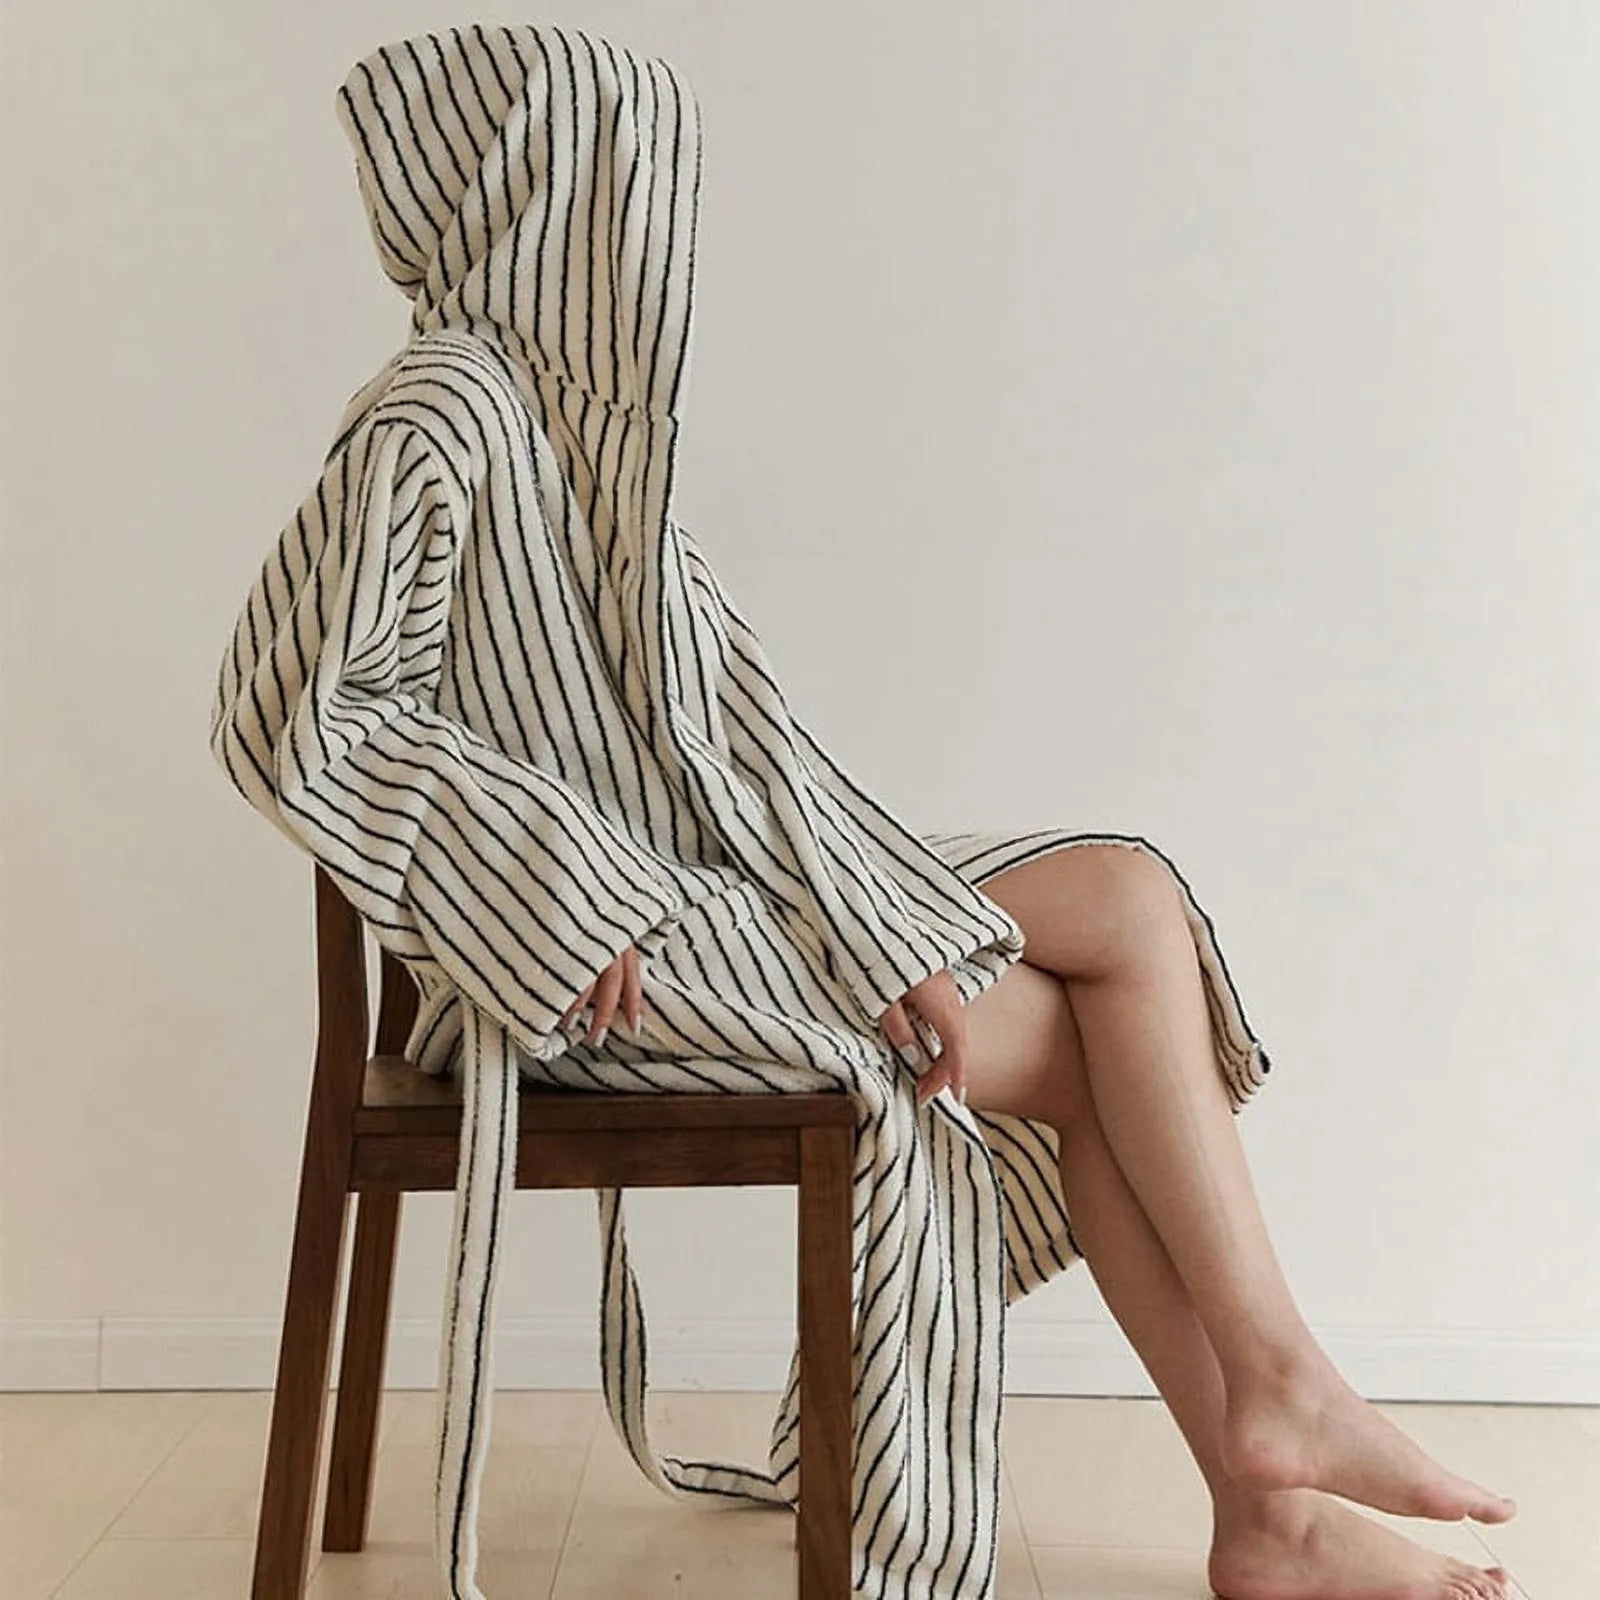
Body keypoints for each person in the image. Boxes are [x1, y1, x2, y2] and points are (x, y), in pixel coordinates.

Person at [560, 854, 1518, 1600]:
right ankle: (1274, 1491)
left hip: (734, 871)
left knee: (1127, 900)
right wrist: (569, 894)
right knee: (1106, 1032)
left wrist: (858, 899)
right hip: (581, 936)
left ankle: (1280, 1426)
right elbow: (401, 728)